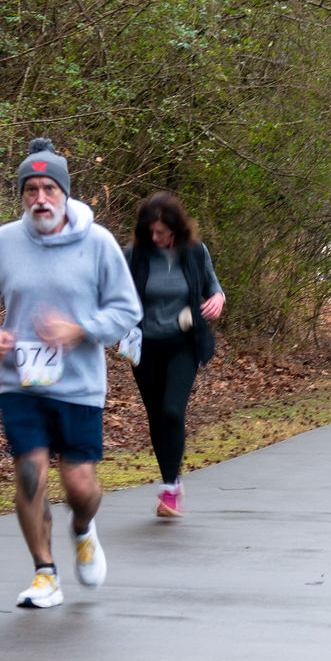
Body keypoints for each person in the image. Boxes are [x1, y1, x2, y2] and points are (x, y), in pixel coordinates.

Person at [0, 138, 142, 608]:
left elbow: (127, 309)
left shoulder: (98, 243)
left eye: (49, 189)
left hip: (79, 385)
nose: (40, 198)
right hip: (21, 382)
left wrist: (80, 330)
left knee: (79, 484)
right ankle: (45, 573)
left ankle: (83, 528)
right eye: (31, 190)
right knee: (29, 472)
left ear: (64, 193)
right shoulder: (3, 243)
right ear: (22, 195)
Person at [124, 191, 225, 519]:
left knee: (171, 411)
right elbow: (115, 293)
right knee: (156, 416)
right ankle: (170, 482)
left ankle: (171, 488)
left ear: (176, 228)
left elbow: (213, 287)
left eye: (162, 232)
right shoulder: (135, 254)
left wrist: (218, 299)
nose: (155, 238)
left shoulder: (195, 251)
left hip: (183, 343)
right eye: (150, 232)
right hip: (146, 347)